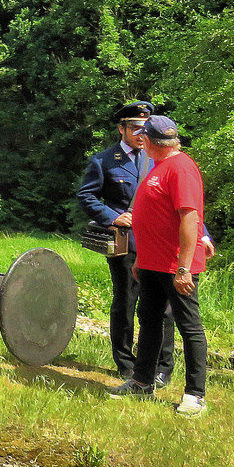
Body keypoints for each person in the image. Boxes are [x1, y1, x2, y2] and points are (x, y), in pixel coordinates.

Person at [110, 115, 213, 416]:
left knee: (188, 326)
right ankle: (142, 381)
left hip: (175, 265)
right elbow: (153, 217)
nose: (140, 140)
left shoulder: (181, 168)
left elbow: (189, 218)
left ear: (153, 142)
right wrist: (142, 258)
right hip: (153, 263)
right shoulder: (159, 165)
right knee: (150, 320)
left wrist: (183, 268)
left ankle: (195, 395)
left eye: (145, 137)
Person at [78, 101, 179, 386]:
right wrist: (113, 217)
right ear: (121, 128)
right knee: (126, 303)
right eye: (135, 127)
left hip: (159, 244)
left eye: (144, 128)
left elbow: (180, 202)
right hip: (126, 243)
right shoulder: (103, 161)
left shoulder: (159, 159)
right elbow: (86, 196)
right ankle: (125, 363)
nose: (140, 133)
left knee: (165, 309)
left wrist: (203, 233)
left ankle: (162, 366)